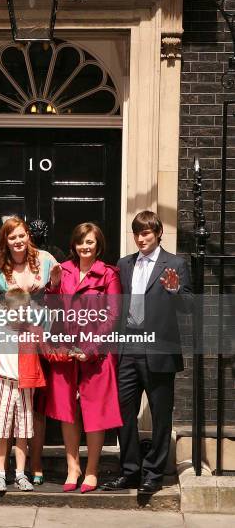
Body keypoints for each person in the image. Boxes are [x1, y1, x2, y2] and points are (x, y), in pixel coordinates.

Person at [100, 211, 193, 494]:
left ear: (158, 233)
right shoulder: (125, 264)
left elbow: (189, 307)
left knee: (160, 415)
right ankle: (130, 471)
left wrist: (176, 290)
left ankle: (153, 474)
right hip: (128, 348)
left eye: (147, 233)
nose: (141, 238)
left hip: (158, 350)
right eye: (137, 233)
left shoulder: (175, 263)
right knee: (123, 413)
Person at [0, 216, 60, 489]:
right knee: (5, 414)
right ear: (5, 240)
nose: (18, 241)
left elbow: (60, 298)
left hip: (39, 336)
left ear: (28, 236)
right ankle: (4, 470)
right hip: (8, 339)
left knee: (35, 408)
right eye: (12, 237)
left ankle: (32, 464)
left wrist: (52, 285)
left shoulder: (46, 260)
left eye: (21, 235)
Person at [44, 222, 123, 493]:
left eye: (90, 242)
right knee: (68, 411)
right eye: (81, 242)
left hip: (96, 355)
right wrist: (53, 286)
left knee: (94, 412)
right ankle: (72, 467)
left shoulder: (109, 275)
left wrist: (89, 349)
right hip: (66, 352)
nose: (85, 246)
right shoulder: (63, 270)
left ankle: (91, 470)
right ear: (74, 245)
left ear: (98, 245)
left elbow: (113, 316)